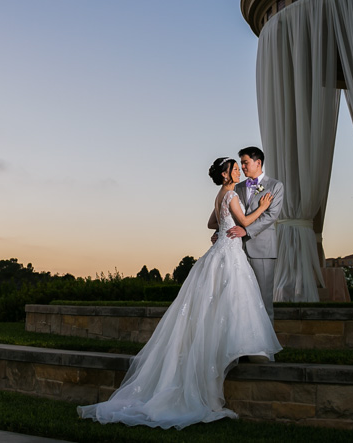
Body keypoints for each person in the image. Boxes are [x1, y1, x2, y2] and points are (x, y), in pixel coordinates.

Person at [77, 157, 283, 429]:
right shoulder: (231, 193)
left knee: (224, 303)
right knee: (233, 301)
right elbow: (243, 220)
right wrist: (263, 208)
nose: (238, 171)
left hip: (221, 248)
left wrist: (223, 227)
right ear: (225, 175)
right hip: (229, 252)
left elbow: (212, 222)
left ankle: (234, 347)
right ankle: (235, 348)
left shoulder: (220, 194)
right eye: (234, 168)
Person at [225, 146, 284, 322]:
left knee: (264, 301)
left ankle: (267, 349)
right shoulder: (238, 187)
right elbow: (232, 213)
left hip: (263, 250)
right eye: (241, 164)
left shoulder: (275, 186)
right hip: (238, 250)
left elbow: (271, 216)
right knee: (240, 299)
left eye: (245, 163)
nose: (242, 167)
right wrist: (220, 232)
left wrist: (247, 230)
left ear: (258, 162)